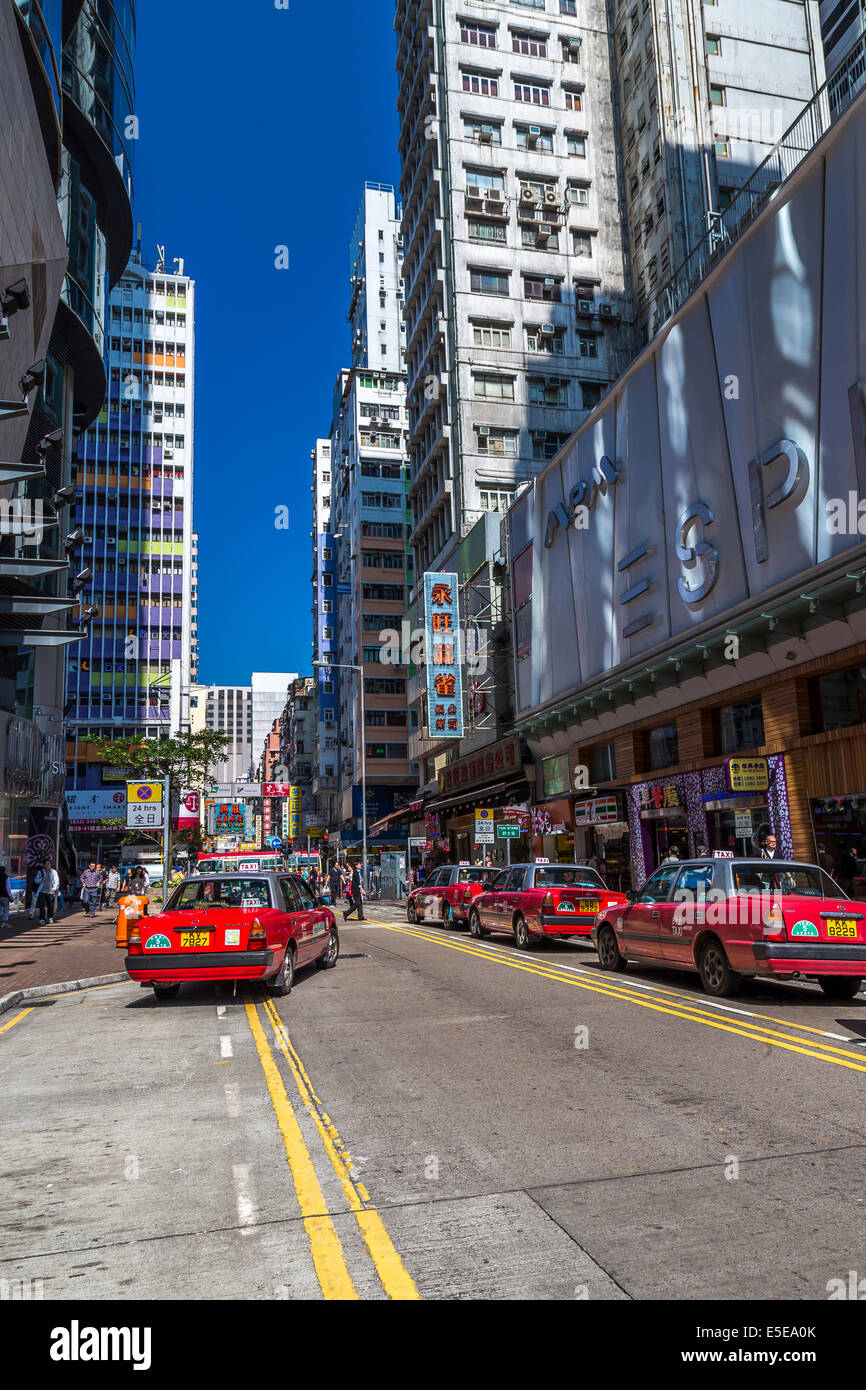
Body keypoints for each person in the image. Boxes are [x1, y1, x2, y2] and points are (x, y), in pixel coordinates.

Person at [34, 859, 60, 923]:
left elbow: (57, 881)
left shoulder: (54, 872)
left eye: (49, 864)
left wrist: (54, 888)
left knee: (50, 906)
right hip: (42, 891)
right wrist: (41, 879)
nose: (47, 865)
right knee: (41, 905)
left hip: (50, 891)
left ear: (50, 864)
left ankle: (50, 917)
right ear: (44, 865)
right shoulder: (41, 872)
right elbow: (36, 881)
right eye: (46, 864)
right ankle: (42, 919)